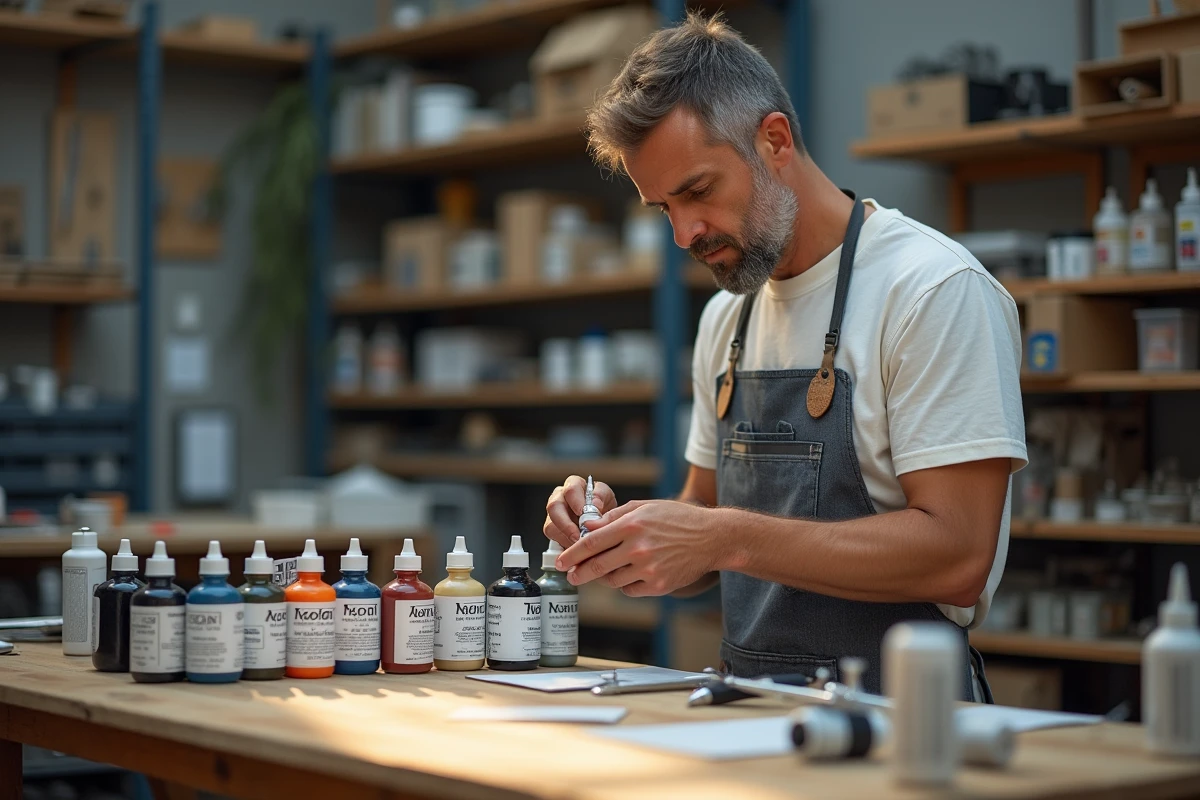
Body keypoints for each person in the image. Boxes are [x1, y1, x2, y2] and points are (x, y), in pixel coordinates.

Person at [542, 13, 1026, 699]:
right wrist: (625, 534)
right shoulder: (726, 318)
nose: (684, 234)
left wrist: (721, 537)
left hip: (906, 719)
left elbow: (958, 556)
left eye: (698, 191)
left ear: (774, 140)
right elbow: (703, 519)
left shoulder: (932, 291)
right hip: (751, 713)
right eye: (663, 209)